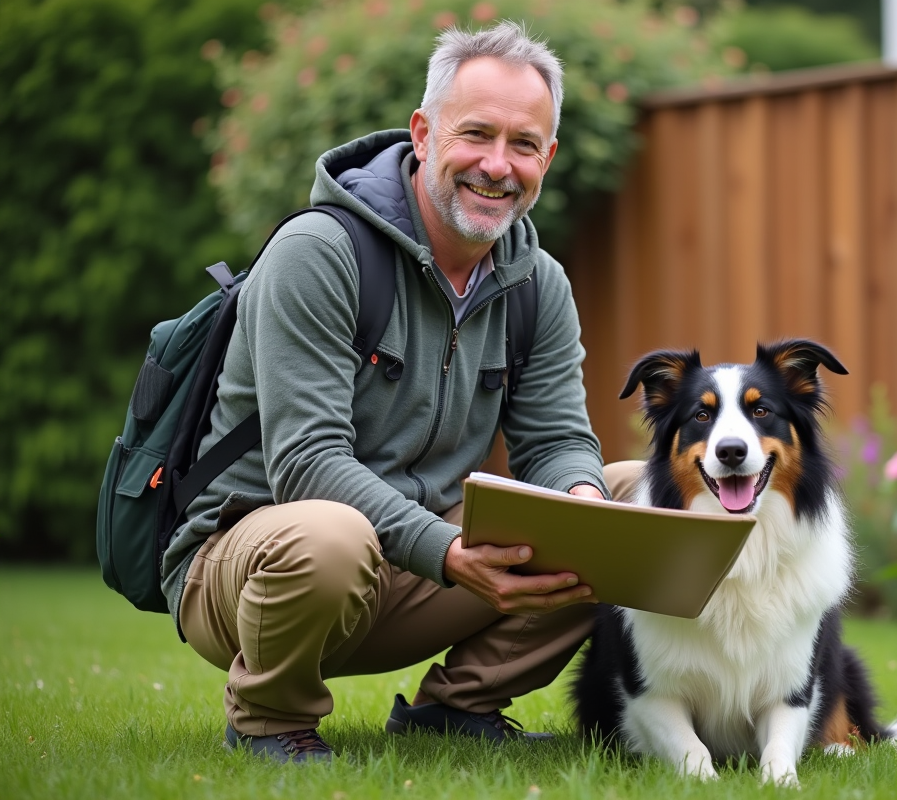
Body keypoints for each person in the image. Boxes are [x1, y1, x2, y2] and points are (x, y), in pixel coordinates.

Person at [160, 21, 611, 763]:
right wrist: (447, 550)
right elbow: (305, 462)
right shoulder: (319, 253)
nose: (498, 166)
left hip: (419, 563)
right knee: (332, 534)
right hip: (253, 570)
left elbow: (559, 442)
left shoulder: (540, 284)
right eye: (477, 135)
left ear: (548, 157)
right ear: (424, 132)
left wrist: (587, 512)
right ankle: (271, 720)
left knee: (626, 501)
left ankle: (457, 711)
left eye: (524, 144)